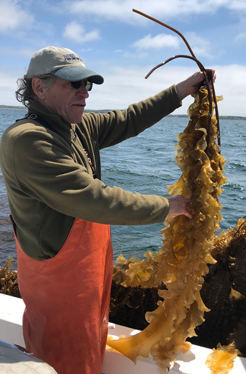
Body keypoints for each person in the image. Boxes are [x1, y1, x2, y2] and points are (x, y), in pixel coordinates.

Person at [0, 46, 215, 374]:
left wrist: (182, 90)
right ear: (38, 87)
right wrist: (170, 206)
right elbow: (93, 199)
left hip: (87, 269)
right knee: (63, 359)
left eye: (87, 85)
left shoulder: (76, 126)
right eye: (72, 84)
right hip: (57, 282)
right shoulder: (27, 140)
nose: (84, 93)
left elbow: (129, 119)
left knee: (90, 345)